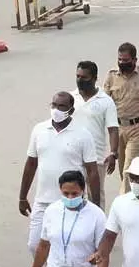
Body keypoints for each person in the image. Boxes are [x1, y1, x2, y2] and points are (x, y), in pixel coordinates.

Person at [19, 92, 101, 258]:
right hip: (42, 201)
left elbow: (92, 171)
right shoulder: (39, 130)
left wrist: (95, 205)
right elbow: (31, 164)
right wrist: (22, 196)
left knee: (68, 246)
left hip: (71, 200)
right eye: (54, 105)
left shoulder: (83, 134)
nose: (56, 109)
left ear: (71, 110)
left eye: (61, 106)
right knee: (35, 246)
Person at [103, 42, 139, 192]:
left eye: (126, 60)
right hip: (118, 127)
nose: (122, 63)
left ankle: (123, 203)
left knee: (129, 166)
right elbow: (105, 102)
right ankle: (131, 195)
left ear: (134, 60)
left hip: (137, 127)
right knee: (122, 169)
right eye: (120, 59)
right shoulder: (111, 75)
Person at [73, 61, 119, 203]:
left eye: (84, 77)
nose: (80, 80)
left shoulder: (106, 101)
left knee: (96, 196)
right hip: (73, 155)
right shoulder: (70, 98)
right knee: (74, 195)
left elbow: (113, 129)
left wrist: (113, 153)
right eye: (78, 76)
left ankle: (98, 223)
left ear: (94, 78)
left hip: (96, 157)